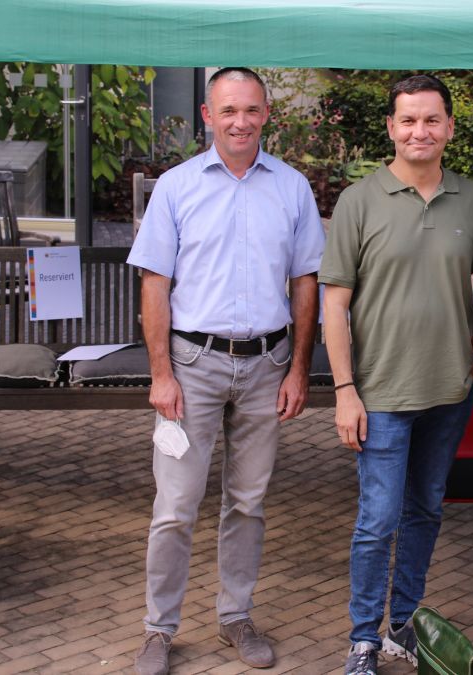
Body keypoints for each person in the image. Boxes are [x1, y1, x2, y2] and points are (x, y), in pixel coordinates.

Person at [126, 67, 325, 675]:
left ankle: (236, 615)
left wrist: (297, 368)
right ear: (208, 116)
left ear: (268, 114)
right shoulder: (177, 188)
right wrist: (161, 373)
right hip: (193, 366)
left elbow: (306, 283)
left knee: (248, 502)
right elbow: (155, 284)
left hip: (267, 365)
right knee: (175, 507)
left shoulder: (292, 188)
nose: (241, 121)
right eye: (228, 111)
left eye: (252, 110)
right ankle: (159, 629)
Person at [319, 74, 473, 675]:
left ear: (449, 127)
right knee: (377, 520)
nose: (419, 131)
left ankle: (403, 622)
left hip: (450, 390)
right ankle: (363, 638)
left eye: (431, 120)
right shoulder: (359, 200)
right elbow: (334, 304)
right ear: (391, 128)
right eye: (407, 120)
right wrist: (345, 391)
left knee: (426, 509)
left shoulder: (472, 200)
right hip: (380, 392)